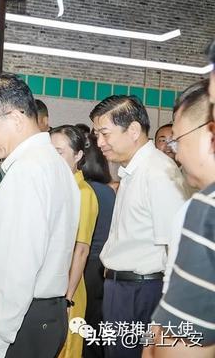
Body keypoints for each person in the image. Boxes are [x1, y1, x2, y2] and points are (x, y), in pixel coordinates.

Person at [0, 73, 80, 358]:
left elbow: (18, 270)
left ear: (15, 118)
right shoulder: (53, 164)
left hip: (20, 324)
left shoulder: (28, 172)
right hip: (39, 315)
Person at [89, 95, 188, 358]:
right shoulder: (132, 170)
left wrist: (164, 315)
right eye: (96, 134)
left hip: (141, 292)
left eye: (104, 133)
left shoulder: (157, 172)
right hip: (121, 288)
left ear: (133, 130)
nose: (99, 143)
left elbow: (175, 247)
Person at [149, 77, 215, 357]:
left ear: (209, 135)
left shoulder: (205, 211)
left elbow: (184, 346)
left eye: (177, 140)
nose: (176, 155)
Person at [50, 125, 99, 358]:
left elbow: (81, 249)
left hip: (68, 288)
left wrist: (67, 299)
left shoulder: (84, 193)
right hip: (50, 285)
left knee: (66, 348)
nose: (52, 158)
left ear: (78, 156)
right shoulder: (55, 188)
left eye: (59, 152)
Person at [80, 133, 115, 358]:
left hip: (84, 265)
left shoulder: (84, 191)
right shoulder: (109, 191)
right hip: (103, 267)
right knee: (96, 327)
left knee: (81, 326)